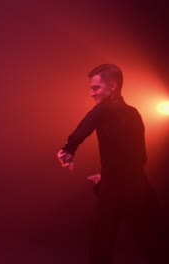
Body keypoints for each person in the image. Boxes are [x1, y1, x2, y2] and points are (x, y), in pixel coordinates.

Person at [57, 64, 168, 264]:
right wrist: (110, 174)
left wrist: (67, 151)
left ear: (113, 86)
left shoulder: (103, 109)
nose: (91, 93)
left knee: (101, 248)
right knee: (156, 245)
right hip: (138, 188)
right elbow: (140, 157)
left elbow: (82, 129)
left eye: (96, 88)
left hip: (114, 189)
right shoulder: (134, 113)